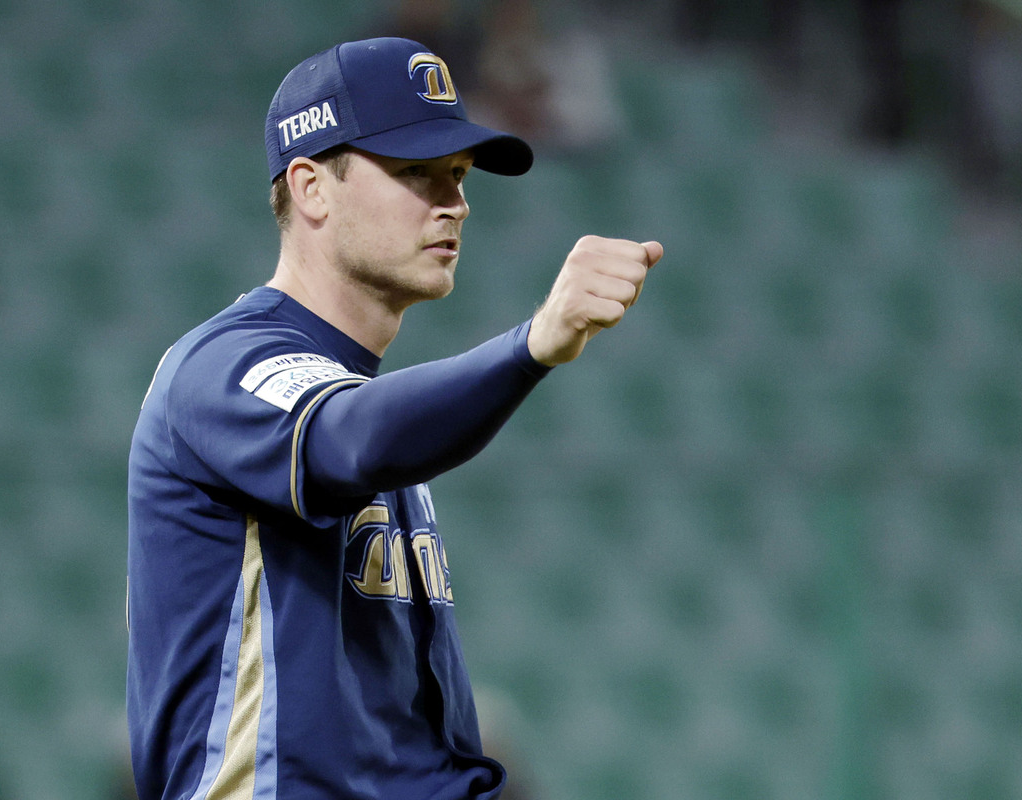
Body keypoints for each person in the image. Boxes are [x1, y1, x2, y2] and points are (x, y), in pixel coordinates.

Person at [126, 36, 662, 800]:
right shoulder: (222, 367)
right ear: (312, 188)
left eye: (459, 174)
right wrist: (532, 345)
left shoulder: (377, 409)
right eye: (416, 171)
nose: (455, 202)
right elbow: (350, 439)